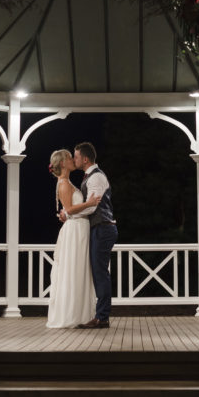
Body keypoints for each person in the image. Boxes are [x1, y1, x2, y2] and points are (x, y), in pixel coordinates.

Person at [45, 148, 100, 328]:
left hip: (80, 228)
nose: (72, 160)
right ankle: (71, 314)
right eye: (70, 158)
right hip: (75, 230)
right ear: (63, 163)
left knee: (80, 269)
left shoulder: (67, 182)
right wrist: (89, 203)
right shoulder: (64, 184)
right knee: (74, 269)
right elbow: (69, 209)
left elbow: (67, 211)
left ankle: (80, 313)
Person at [73, 141, 117, 329]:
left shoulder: (96, 178)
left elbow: (92, 206)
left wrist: (69, 214)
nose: (74, 160)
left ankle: (102, 317)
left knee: (100, 273)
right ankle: (100, 314)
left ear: (85, 158)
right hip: (99, 228)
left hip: (103, 227)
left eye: (75, 157)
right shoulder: (89, 176)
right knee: (98, 272)